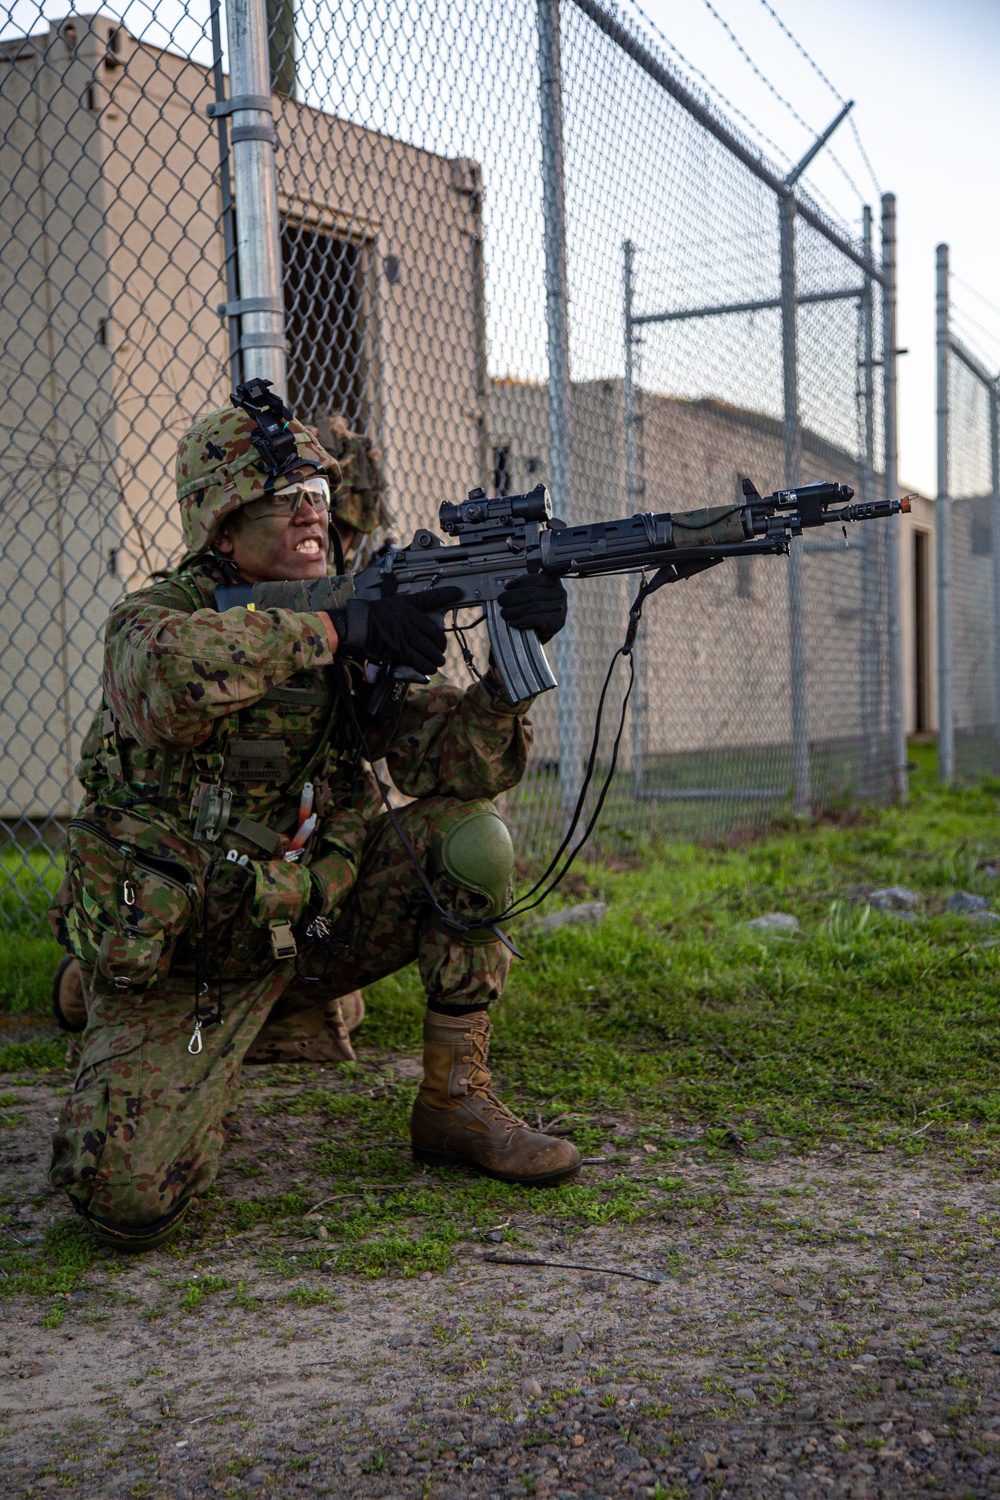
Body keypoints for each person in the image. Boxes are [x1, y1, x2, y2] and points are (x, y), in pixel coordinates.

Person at [48, 392, 580, 1251]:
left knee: (467, 836)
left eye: (319, 496)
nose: (308, 509)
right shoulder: (159, 617)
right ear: (221, 528)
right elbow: (168, 687)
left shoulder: (356, 607)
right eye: (279, 496)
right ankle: (95, 990)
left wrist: (509, 679)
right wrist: (332, 630)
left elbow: (450, 766)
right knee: (126, 1200)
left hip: (305, 923)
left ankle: (453, 1100)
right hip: (180, 956)